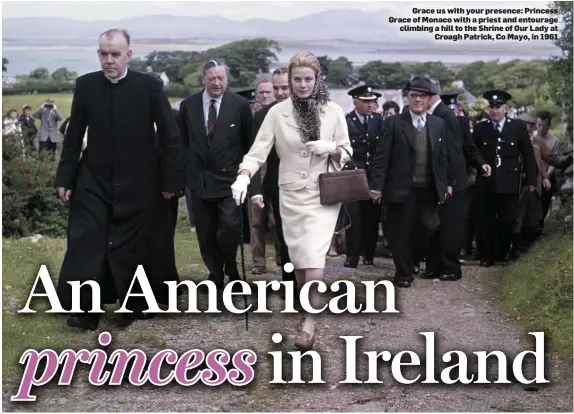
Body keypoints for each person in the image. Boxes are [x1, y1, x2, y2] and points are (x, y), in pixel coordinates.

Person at [55, 29, 184, 331]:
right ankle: (85, 308)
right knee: (88, 241)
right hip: (94, 178)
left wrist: (171, 182)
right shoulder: (85, 85)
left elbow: (170, 136)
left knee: (133, 245)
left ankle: (134, 303)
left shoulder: (149, 87)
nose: (108, 60)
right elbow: (73, 136)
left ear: (129, 54)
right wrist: (65, 177)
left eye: (115, 54)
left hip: (141, 180)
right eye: (103, 53)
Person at [232, 51, 352, 350]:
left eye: (307, 79)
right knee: (299, 260)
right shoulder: (276, 112)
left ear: (317, 79)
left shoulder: (333, 111)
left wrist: (332, 149)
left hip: (322, 194)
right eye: (296, 79)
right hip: (291, 194)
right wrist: (244, 175)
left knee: (314, 258)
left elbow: (347, 151)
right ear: (289, 80)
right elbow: (258, 150)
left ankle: (310, 324)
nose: (301, 85)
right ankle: (307, 312)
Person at [178, 58, 255, 293]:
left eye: (221, 78)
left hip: (229, 179)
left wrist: (245, 175)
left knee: (230, 227)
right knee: (206, 231)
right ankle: (215, 273)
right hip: (199, 181)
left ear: (227, 79)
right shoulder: (188, 105)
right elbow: (183, 143)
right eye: (212, 78)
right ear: (204, 79)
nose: (217, 82)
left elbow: (248, 143)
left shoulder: (239, 105)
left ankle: (231, 268)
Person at [369, 77, 448, 288]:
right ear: (409, 98)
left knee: (430, 227)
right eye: (413, 95)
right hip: (401, 188)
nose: (417, 100)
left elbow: (442, 158)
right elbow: (381, 157)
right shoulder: (394, 123)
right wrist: (376, 186)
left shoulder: (438, 124)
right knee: (399, 232)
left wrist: (446, 183)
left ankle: (414, 259)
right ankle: (403, 274)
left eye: (422, 96)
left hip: (429, 188)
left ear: (430, 100)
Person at [422, 89, 490, 281]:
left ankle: (451, 267)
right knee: (433, 225)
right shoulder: (431, 117)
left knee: (450, 226)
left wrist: (478, 164)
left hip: (451, 181)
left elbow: (459, 150)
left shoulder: (448, 118)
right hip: (436, 180)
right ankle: (434, 266)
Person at [248, 67, 298, 301]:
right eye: (275, 88)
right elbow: (255, 156)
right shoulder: (261, 116)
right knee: (286, 238)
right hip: (277, 186)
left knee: (307, 238)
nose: (279, 92)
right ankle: (291, 287)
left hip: (309, 185)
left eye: (284, 87)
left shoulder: (312, 111)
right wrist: (255, 191)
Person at [472, 90, 537, 267]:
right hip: (486, 181)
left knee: (507, 219)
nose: (494, 110)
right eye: (491, 107)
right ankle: (486, 255)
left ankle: (501, 252)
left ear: (505, 108)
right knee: (486, 219)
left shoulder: (517, 128)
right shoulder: (480, 129)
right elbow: (472, 153)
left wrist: (532, 180)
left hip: (509, 182)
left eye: (498, 107)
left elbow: (528, 155)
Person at [342, 85, 385, 268]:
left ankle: (368, 254)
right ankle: (352, 256)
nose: (370, 105)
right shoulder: (346, 121)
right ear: (355, 102)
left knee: (371, 217)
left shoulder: (379, 120)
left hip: (372, 176)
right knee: (353, 218)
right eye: (366, 101)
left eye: (373, 101)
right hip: (352, 175)